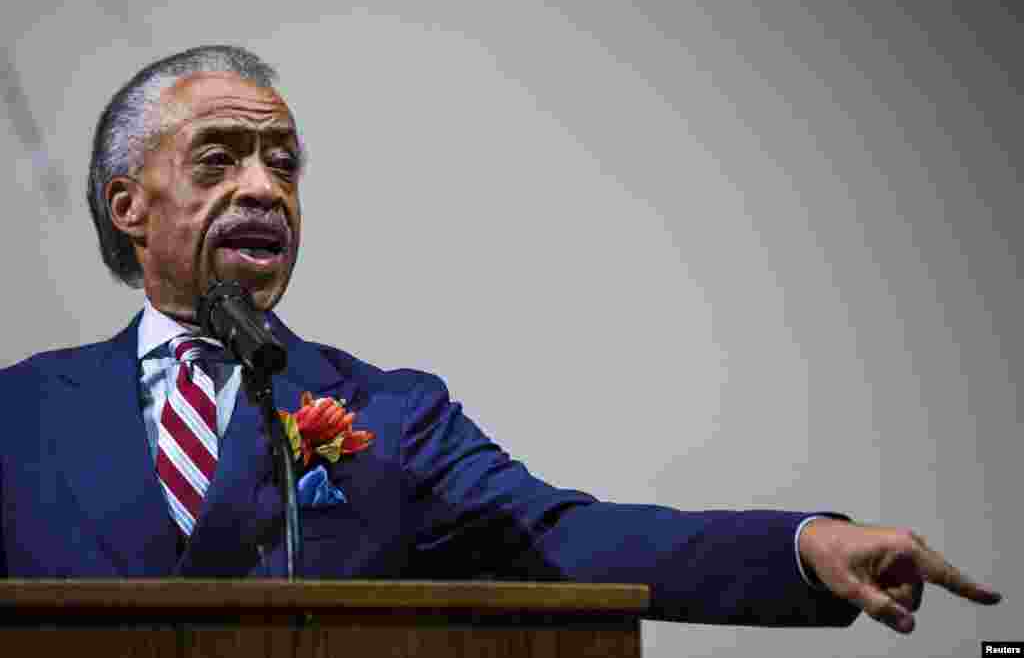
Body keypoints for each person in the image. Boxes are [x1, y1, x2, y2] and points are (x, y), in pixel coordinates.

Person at [0, 45, 1001, 632]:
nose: (262, 186)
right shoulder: (21, 414)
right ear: (128, 205)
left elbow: (568, 539)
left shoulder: (389, 412)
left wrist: (798, 544)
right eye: (218, 158)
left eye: (283, 163)